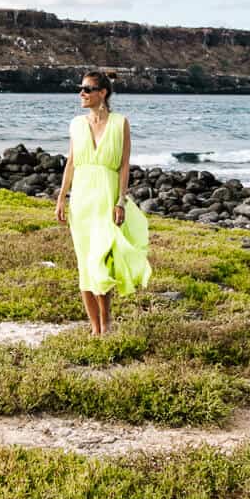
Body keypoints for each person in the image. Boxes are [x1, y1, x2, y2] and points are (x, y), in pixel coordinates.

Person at [55, 71, 151, 335]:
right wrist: (62, 197)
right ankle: (95, 328)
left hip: (107, 199)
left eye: (87, 89)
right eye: (80, 89)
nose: (81, 94)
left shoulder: (120, 123)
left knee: (104, 261)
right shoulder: (76, 124)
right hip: (82, 202)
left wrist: (121, 200)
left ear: (103, 93)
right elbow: (71, 162)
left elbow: (123, 165)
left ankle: (106, 321)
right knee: (84, 263)